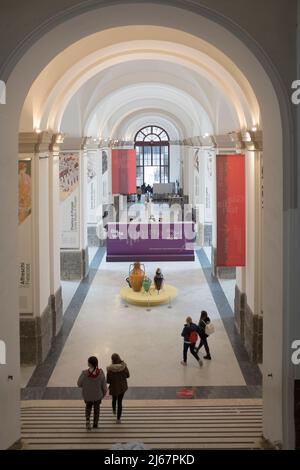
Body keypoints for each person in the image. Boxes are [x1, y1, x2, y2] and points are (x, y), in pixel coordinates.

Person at [77, 356, 107, 430]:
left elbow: (79, 384)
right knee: (97, 410)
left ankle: (87, 420)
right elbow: (104, 386)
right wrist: (103, 394)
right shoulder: (101, 373)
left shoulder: (84, 373)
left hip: (87, 396)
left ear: (89, 364)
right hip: (97, 395)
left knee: (88, 407)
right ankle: (95, 424)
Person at [106, 353, 130, 424]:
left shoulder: (110, 369)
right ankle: (118, 419)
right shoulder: (124, 366)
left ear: (112, 359)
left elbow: (108, 381)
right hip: (122, 387)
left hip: (114, 387)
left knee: (114, 399)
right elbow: (128, 375)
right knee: (120, 402)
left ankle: (114, 410)